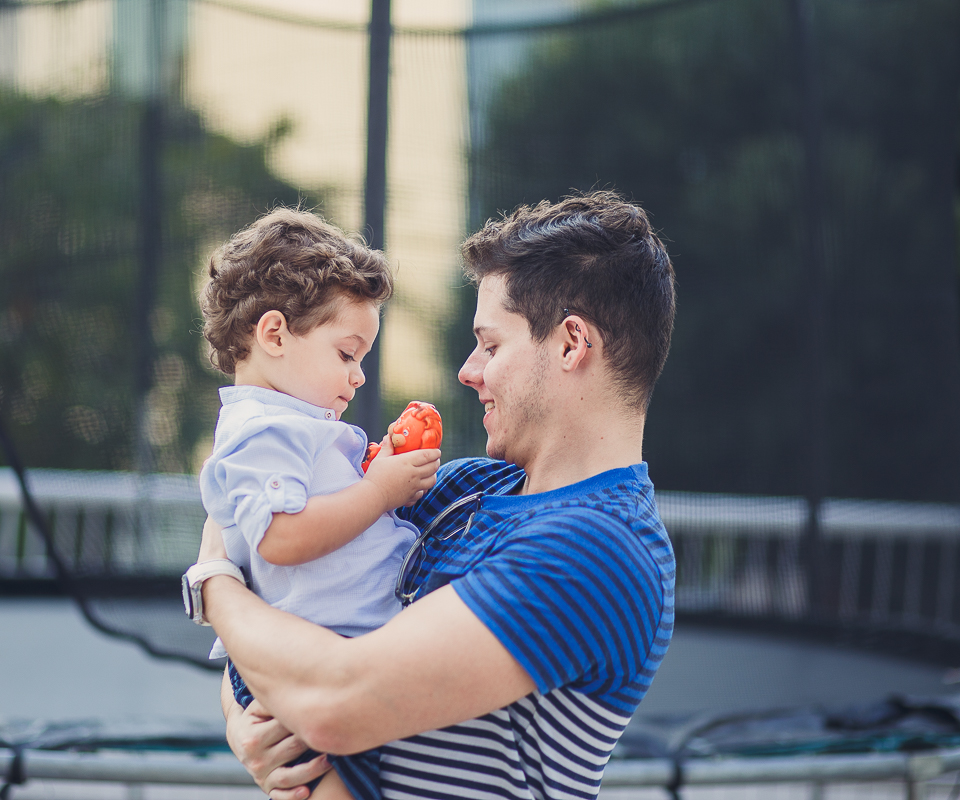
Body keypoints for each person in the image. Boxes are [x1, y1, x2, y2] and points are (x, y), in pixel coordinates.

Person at [186, 189, 678, 800]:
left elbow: (332, 700)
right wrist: (248, 724)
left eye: (491, 345)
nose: (468, 371)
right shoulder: (465, 489)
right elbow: (283, 580)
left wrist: (211, 587)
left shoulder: (599, 549)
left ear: (572, 344)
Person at [193, 207, 441, 800]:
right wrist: (378, 490)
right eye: (346, 353)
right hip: (315, 668)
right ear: (274, 335)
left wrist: (369, 471)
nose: (357, 377)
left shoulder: (289, 428)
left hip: (336, 656)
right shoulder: (264, 431)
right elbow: (283, 536)